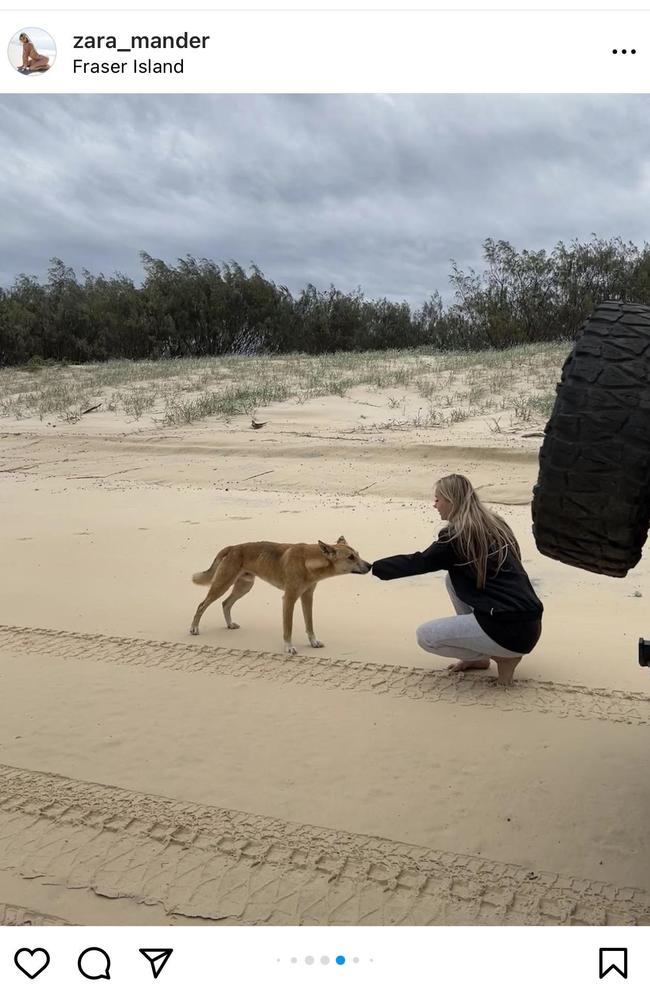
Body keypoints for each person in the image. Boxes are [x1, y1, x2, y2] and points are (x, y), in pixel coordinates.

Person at [372, 473, 543, 685]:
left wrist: (372, 567)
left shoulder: (456, 537)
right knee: (452, 580)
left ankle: (503, 656)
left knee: (425, 637)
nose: (435, 505)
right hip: (531, 624)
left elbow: (419, 562)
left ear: (451, 501)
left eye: (437, 499)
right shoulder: (495, 524)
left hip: (506, 630)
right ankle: (481, 658)